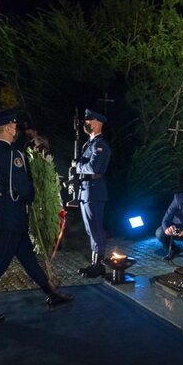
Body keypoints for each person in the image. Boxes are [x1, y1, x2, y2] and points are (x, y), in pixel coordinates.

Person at [0, 109, 74, 325]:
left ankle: (52, 294)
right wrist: (35, 197)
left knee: (28, 259)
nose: (16, 130)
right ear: (9, 128)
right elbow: (24, 189)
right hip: (13, 215)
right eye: (14, 126)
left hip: (2, 211)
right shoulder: (14, 155)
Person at [74, 109, 111, 278]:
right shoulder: (89, 144)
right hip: (86, 190)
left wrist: (77, 166)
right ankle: (94, 262)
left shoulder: (100, 145)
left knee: (96, 228)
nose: (86, 124)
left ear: (97, 123)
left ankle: (99, 264)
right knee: (90, 229)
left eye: (88, 121)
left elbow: (93, 167)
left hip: (94, 190)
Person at [156, 186, 183, 260]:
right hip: (178, 228)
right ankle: (174, 250)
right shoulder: (178, 199)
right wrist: (167, 229)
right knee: (159, 232)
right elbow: (166, 219)